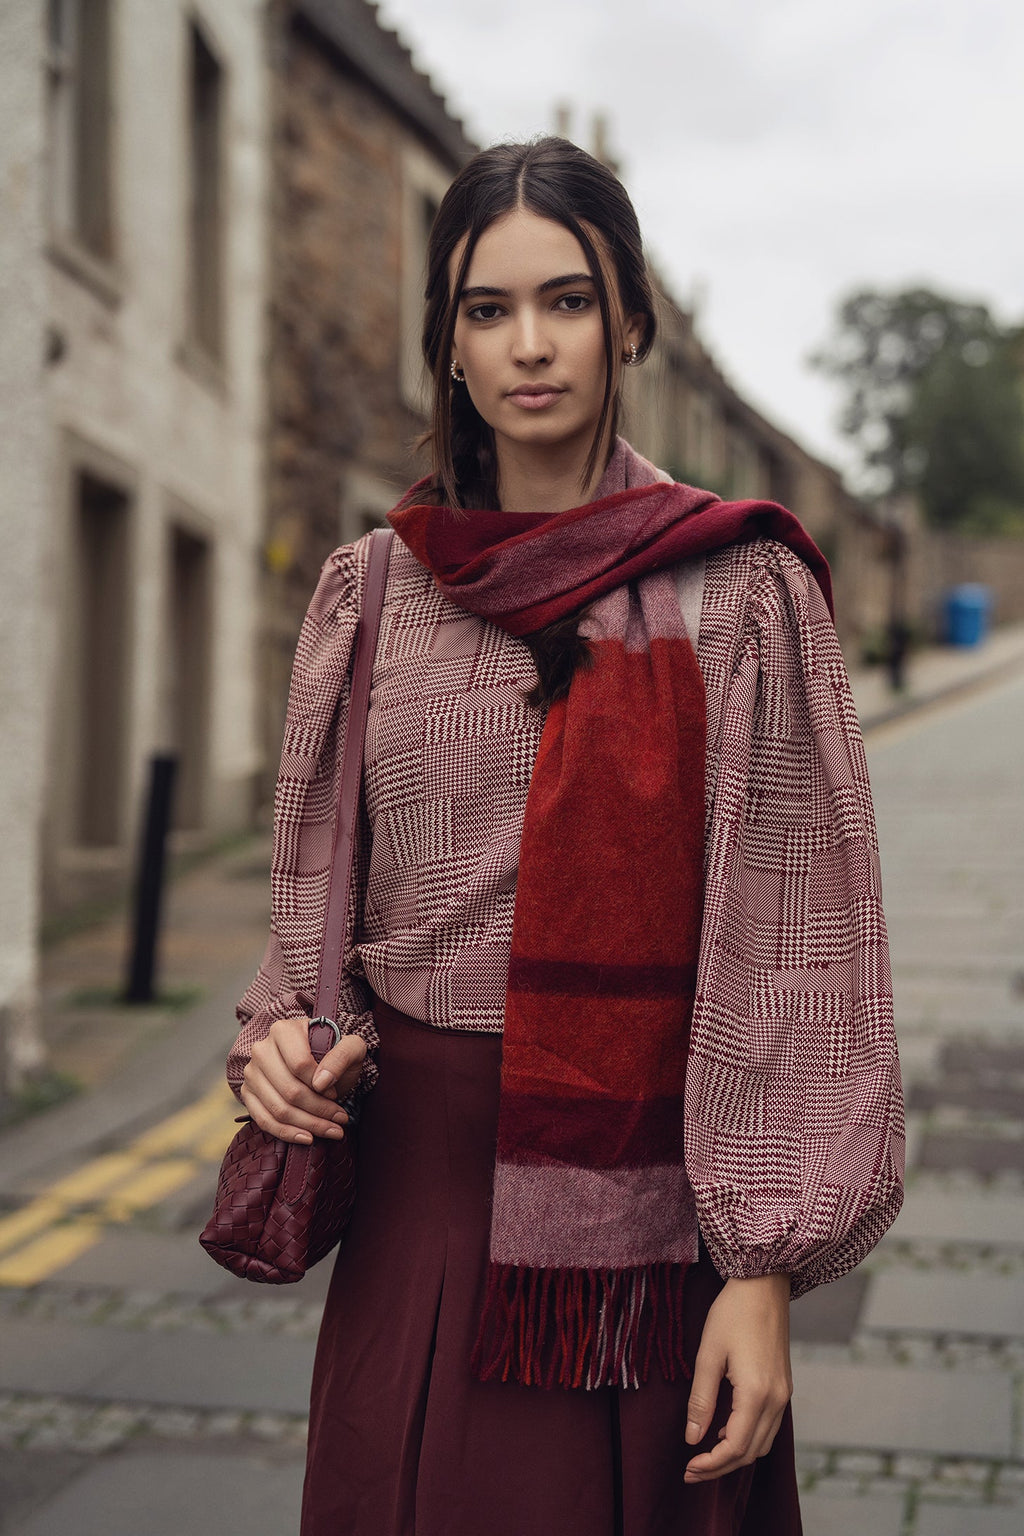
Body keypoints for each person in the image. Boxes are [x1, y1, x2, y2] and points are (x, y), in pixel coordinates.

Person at [228, 137, 905, 1536]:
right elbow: (312, 921)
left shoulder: (745, 590)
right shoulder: (369, 598)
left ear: (632, 322)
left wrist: (764, 1275)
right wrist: (283, 1048)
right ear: (450, 346)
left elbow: (799, 949)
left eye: (570, 300)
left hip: (655, 1239)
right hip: (418, 1218)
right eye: (488, 309)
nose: (530, 345)